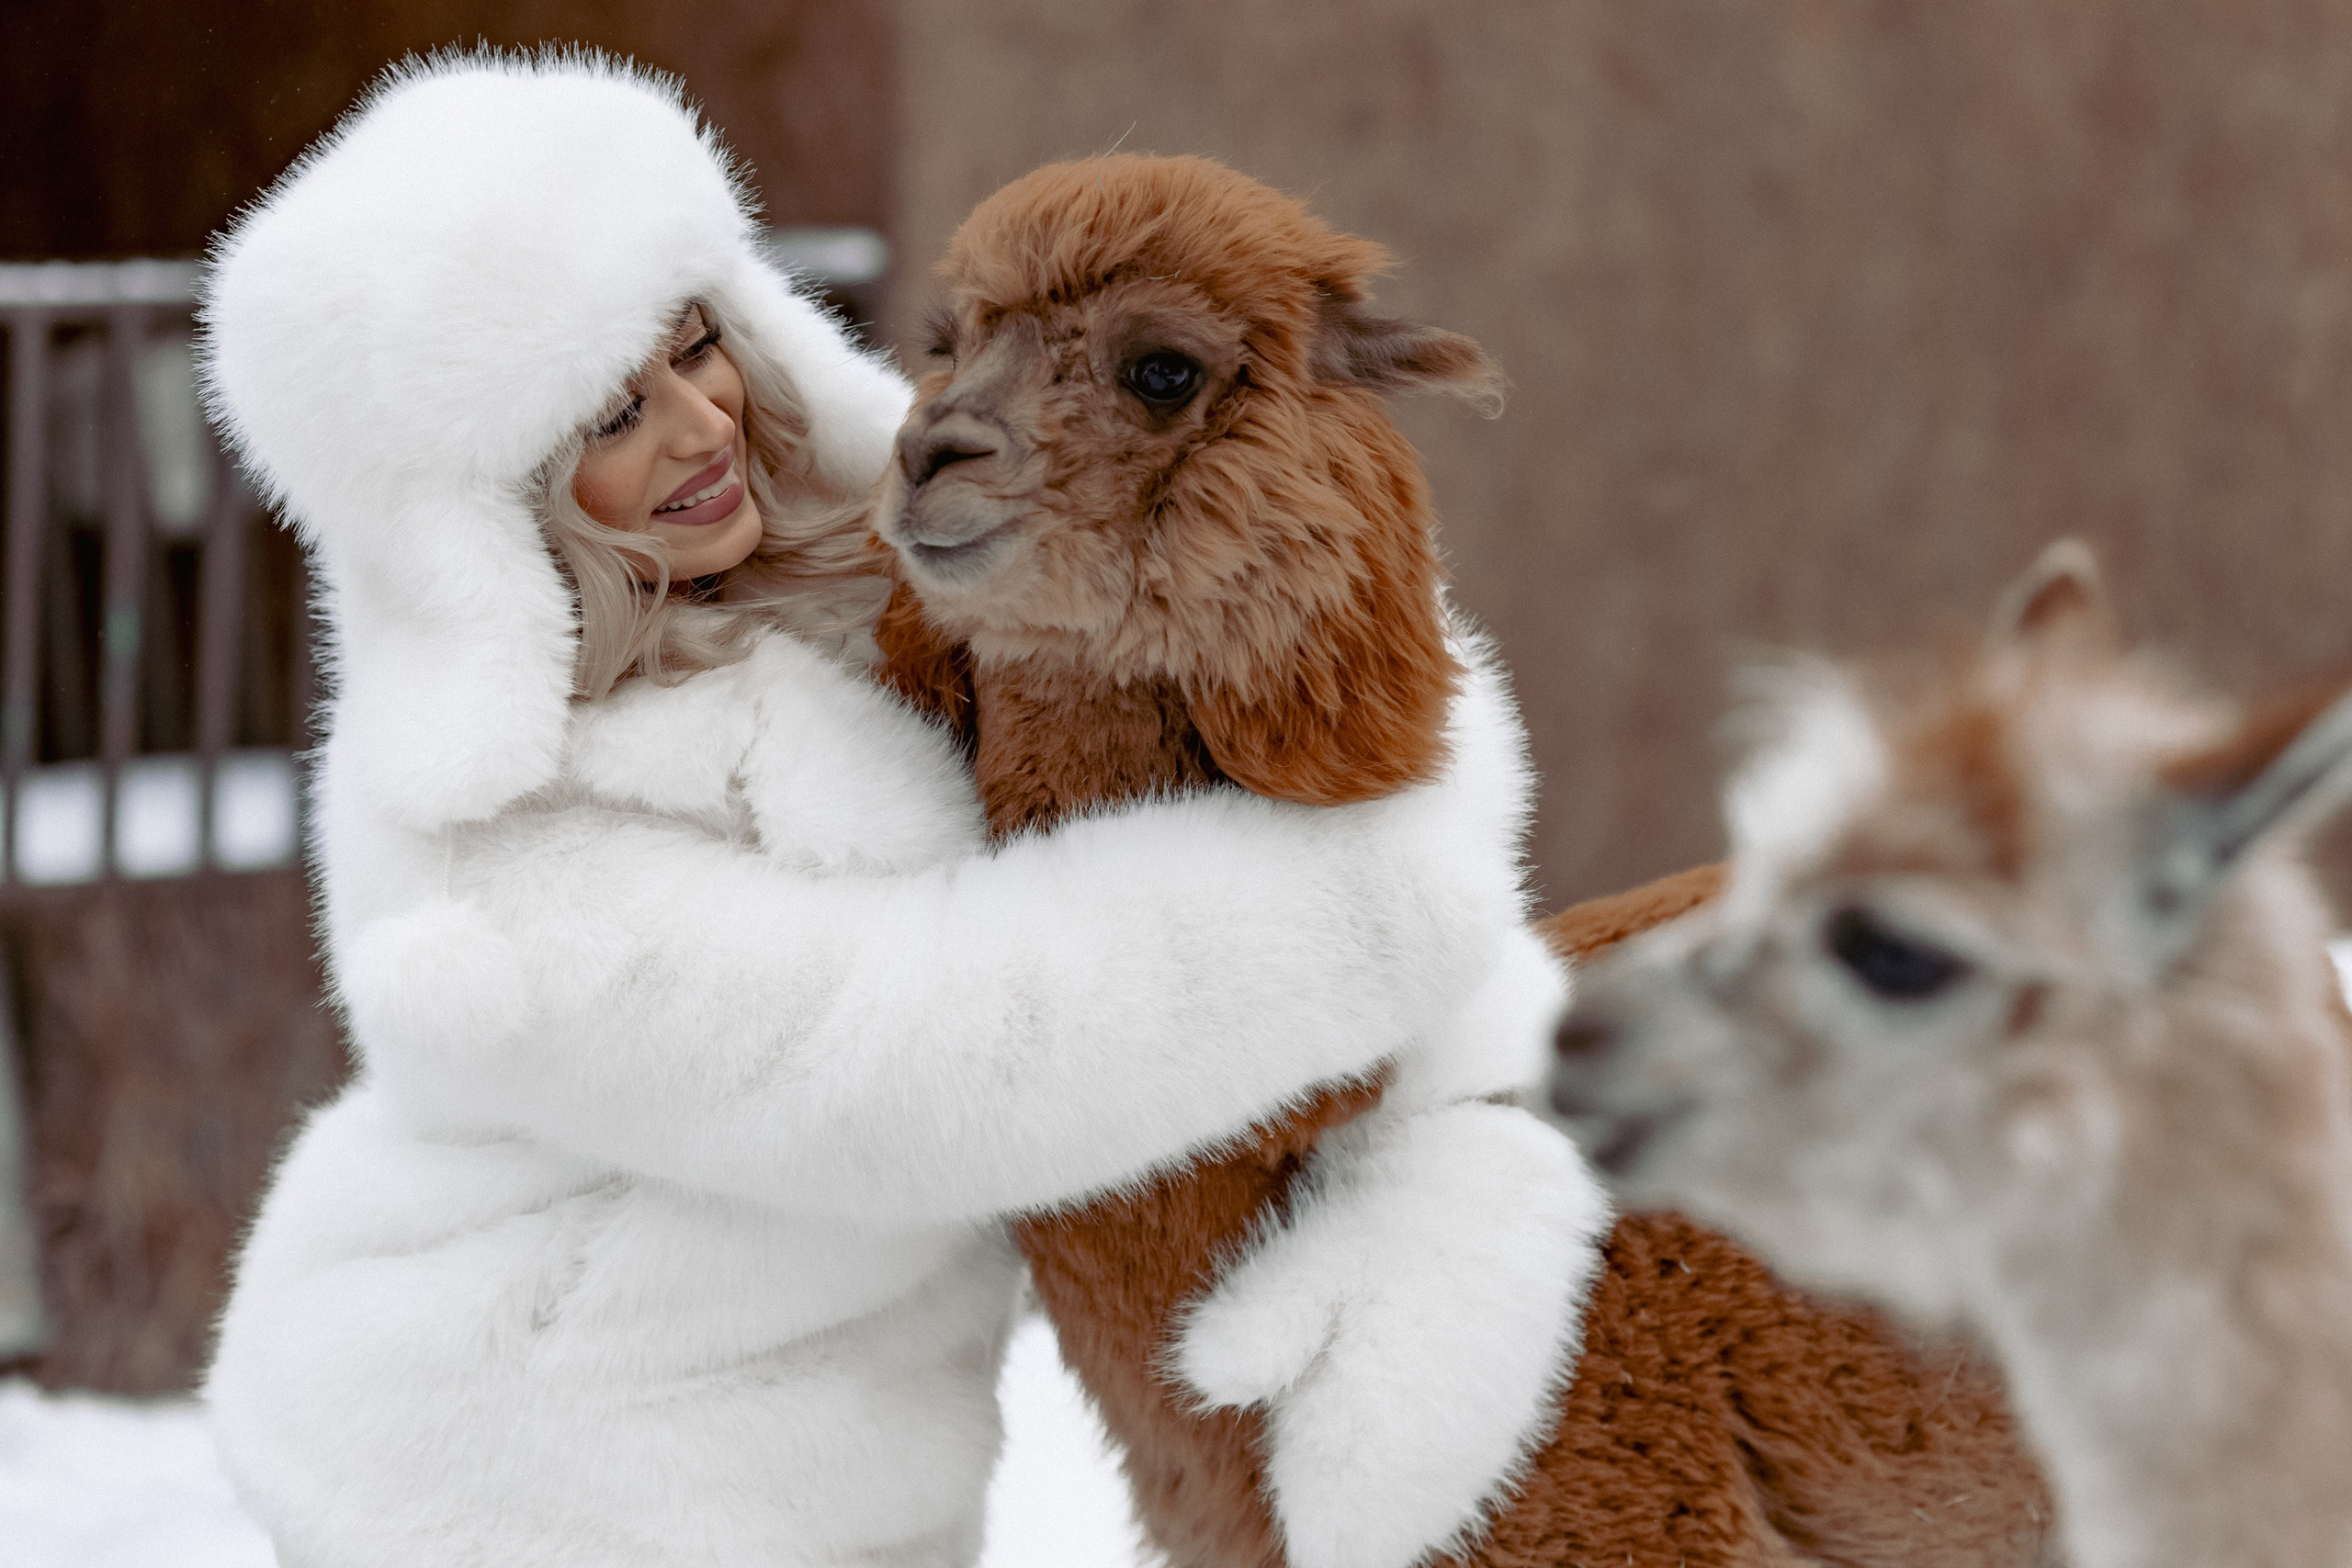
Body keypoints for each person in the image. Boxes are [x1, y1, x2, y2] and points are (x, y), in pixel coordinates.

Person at [197, 51, 1557, 1568]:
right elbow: (934, 1060)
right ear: (480, 505)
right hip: (530, 1460)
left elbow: (1273, 651)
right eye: (604, 418)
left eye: (695, 347)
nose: (700, 430)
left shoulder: (865, 569)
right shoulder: (496, 853)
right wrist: (1372, 899)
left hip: (824, 1448)